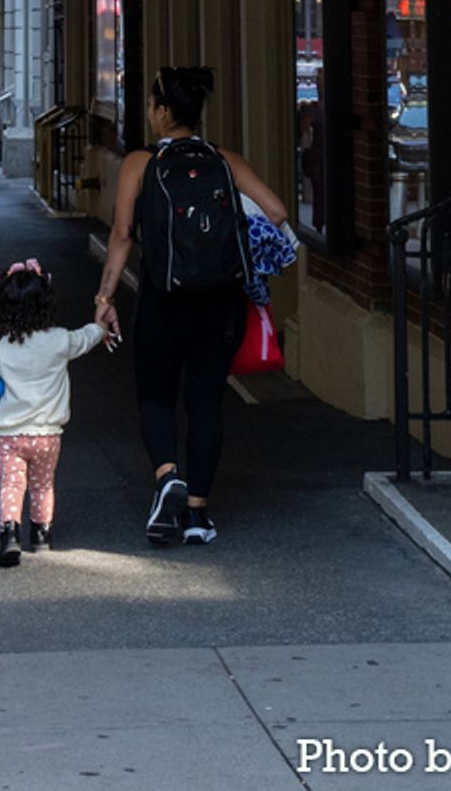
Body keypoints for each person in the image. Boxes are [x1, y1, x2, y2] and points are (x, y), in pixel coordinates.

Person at [96, 65, 290, 550]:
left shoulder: (140, 163)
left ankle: (168, 478)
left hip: (163, 299)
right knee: (206, 402)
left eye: (151, 105)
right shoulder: (225, 160)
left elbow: (122, 234)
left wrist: (105, 298)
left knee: (155, 397)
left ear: (163, 112)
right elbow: (277, 212)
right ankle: (198, 514)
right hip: (220, 302)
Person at [0, 258, 107, 567]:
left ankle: (9, 534)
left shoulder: (1, 347)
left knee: (11, 485)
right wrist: (101, 327)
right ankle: (41, 534)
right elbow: (85, 338)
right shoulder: (59, 340)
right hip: (47, 434)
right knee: (43, 485)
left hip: (9, 435)